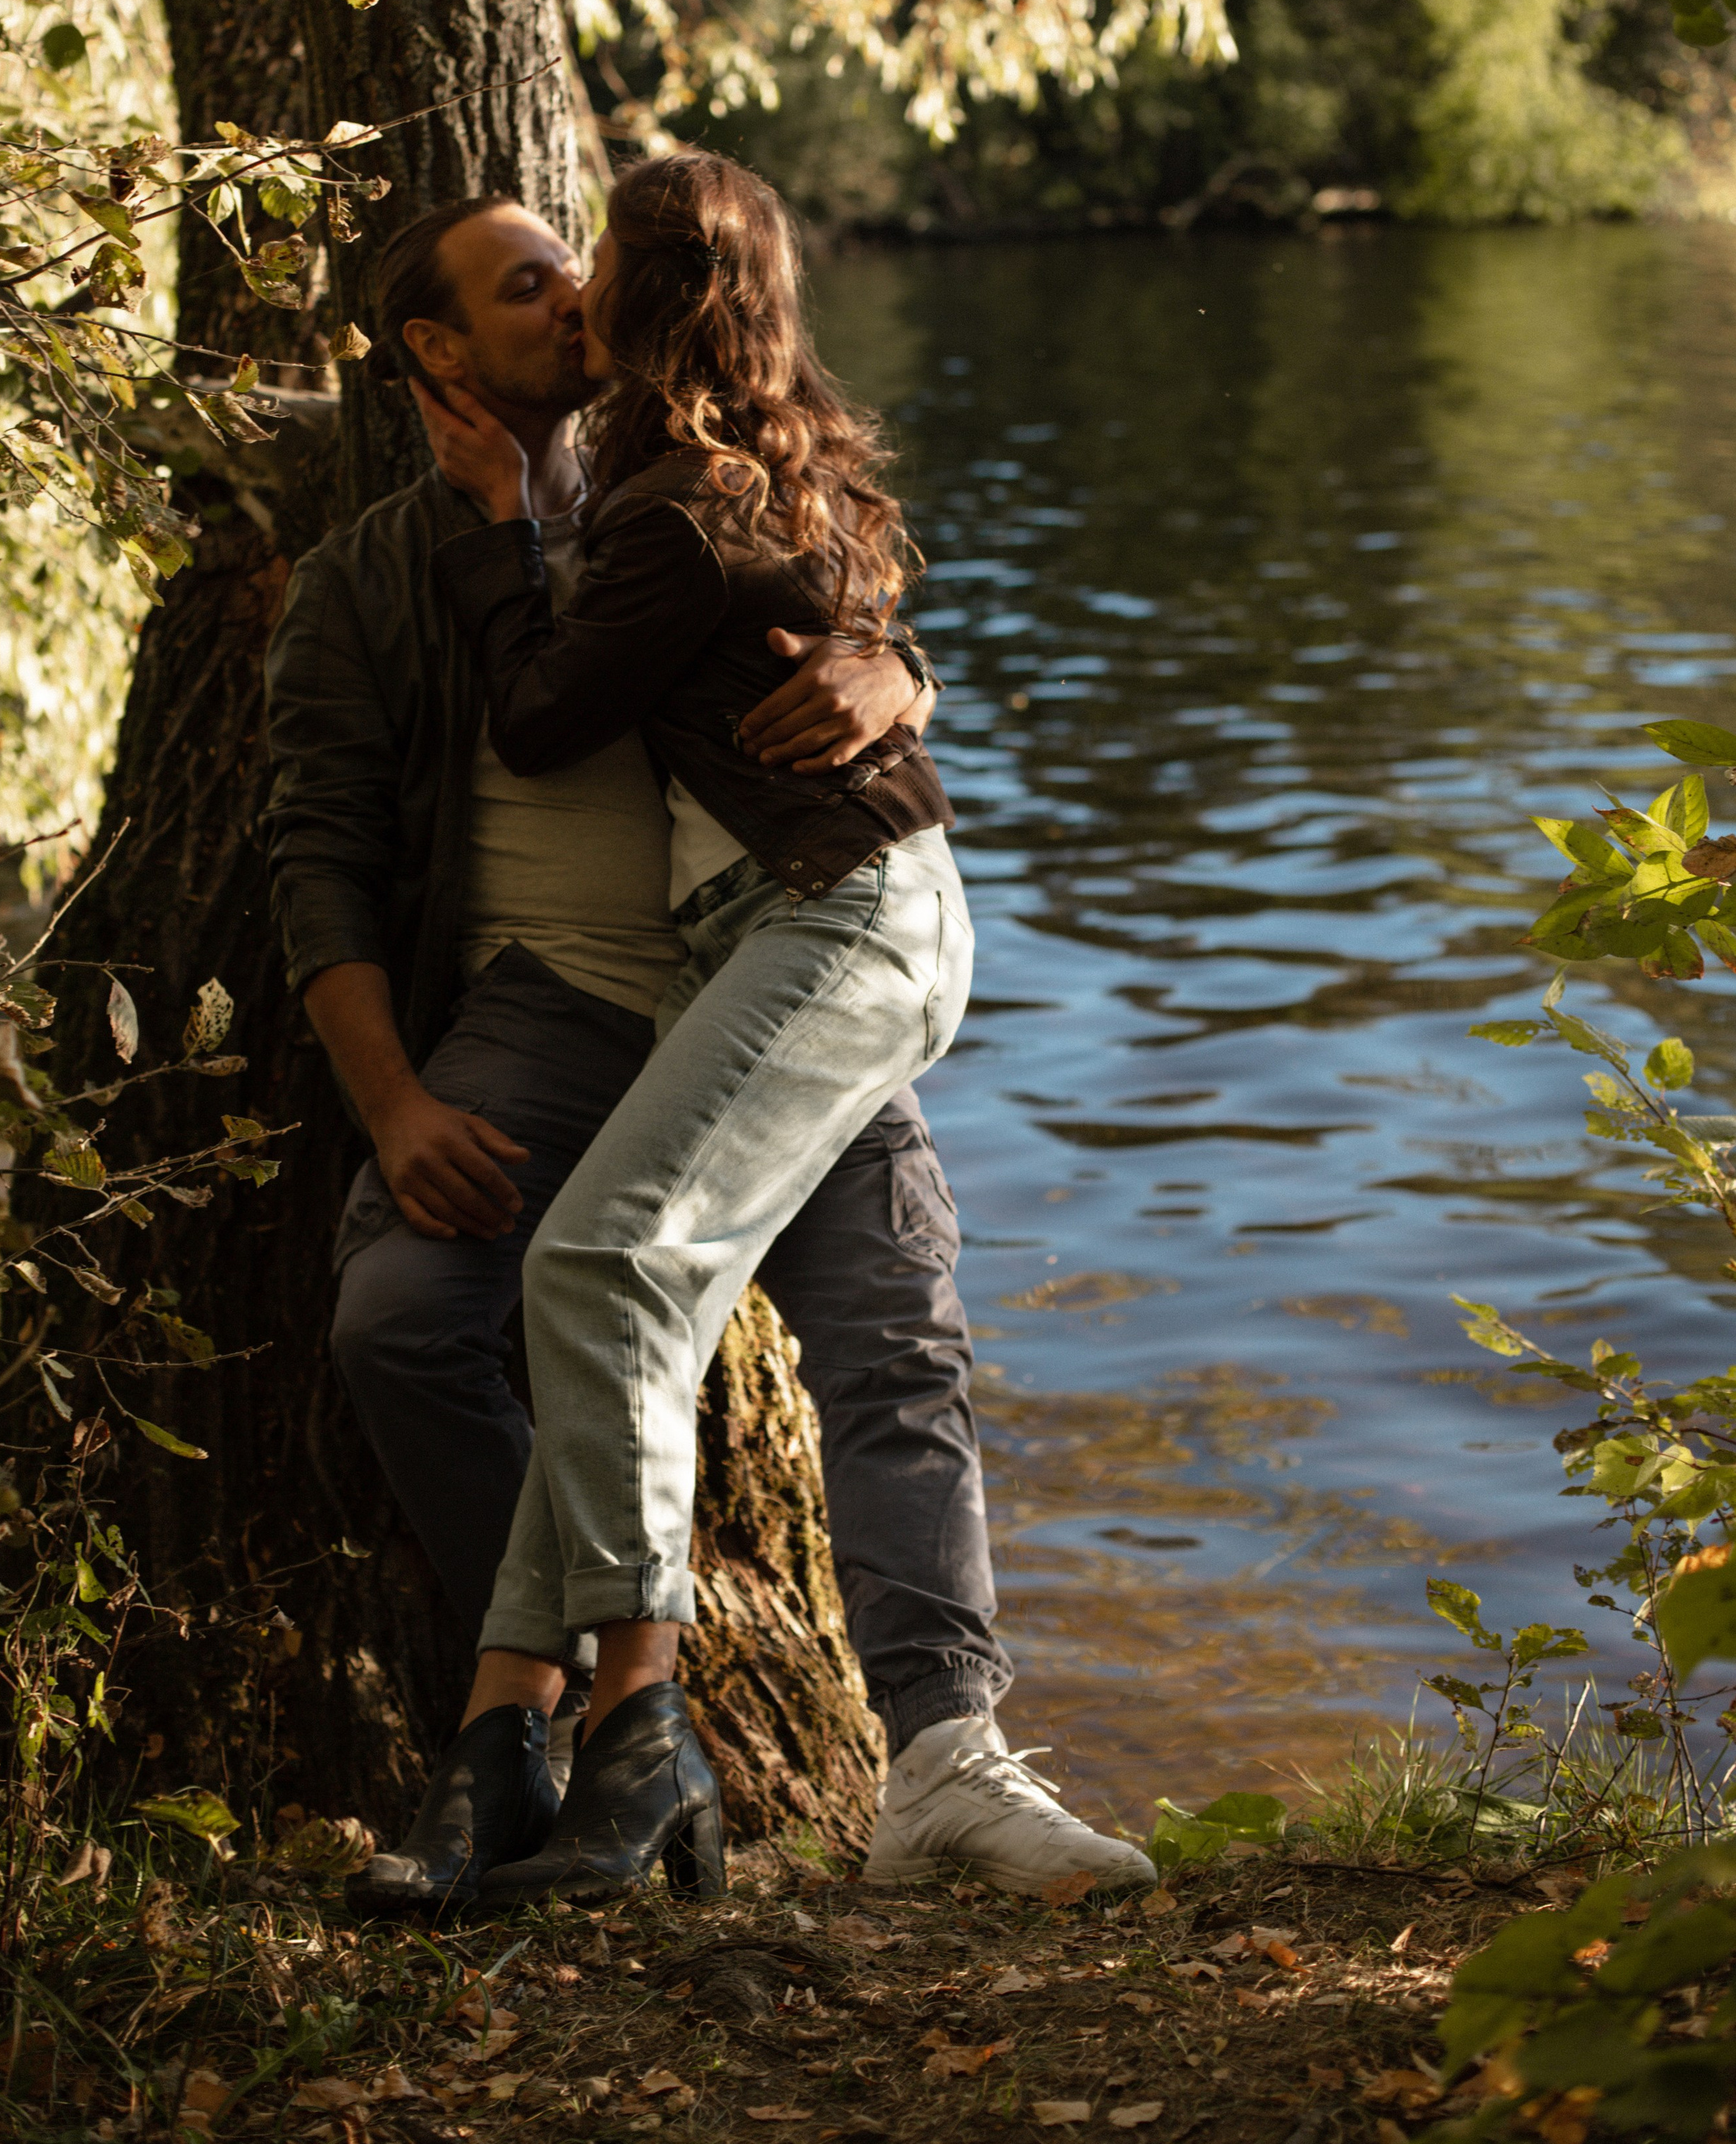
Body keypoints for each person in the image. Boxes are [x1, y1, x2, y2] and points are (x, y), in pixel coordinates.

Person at [262, 183, 1154, 1912]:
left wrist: (897, 676)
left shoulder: (679, 469)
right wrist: (391, 1101)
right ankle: (564, 1728)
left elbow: (828, 605)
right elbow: (320, 867)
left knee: (894, 1339)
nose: (575, 301)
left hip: (766, 972)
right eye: (529, 289)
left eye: (582, 270)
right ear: (435, 350)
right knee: (406, 1316)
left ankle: (947, 1761)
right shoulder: (375, 574)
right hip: (557, 1008)